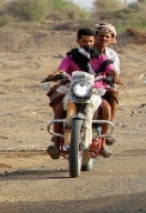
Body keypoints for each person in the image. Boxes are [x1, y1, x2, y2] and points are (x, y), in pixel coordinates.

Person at [45, 27, 118, 159]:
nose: (88, 44)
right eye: (84, 41)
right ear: (78, 41)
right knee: (60, 107)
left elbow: (110, 68)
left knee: (106, 107)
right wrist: (56, 74)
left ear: (93, 40)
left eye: (90, 41)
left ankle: (104, 142)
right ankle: (56, 143)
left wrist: (114, 75)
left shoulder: (101, 57)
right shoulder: (71, 57)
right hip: (74, 89)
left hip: (95, 90)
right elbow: (62, 69)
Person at [95, 22, 121, 145]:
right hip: (84, 83)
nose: (104, 38)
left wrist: (113, 77)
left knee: (113, 94)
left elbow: (114, 71)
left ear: (111, 39)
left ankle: (107, 131)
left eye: (107, 36)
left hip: (103, 84)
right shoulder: (85, 51)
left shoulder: (112, 55)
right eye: (101, 35)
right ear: (95, 36)